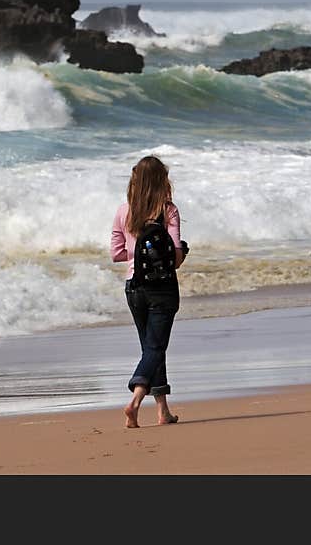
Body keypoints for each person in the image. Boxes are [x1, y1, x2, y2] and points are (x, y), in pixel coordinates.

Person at [110, 155, 186, 428]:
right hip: (162, 288)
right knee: (155, 348)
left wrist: (136, 252)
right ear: (161, 181)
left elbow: (116, 254)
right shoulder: (169, 211)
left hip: (134, 287)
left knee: (151, 348)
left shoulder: (123, 211)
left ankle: (163, 411)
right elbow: (175, 258)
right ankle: (135, 401)